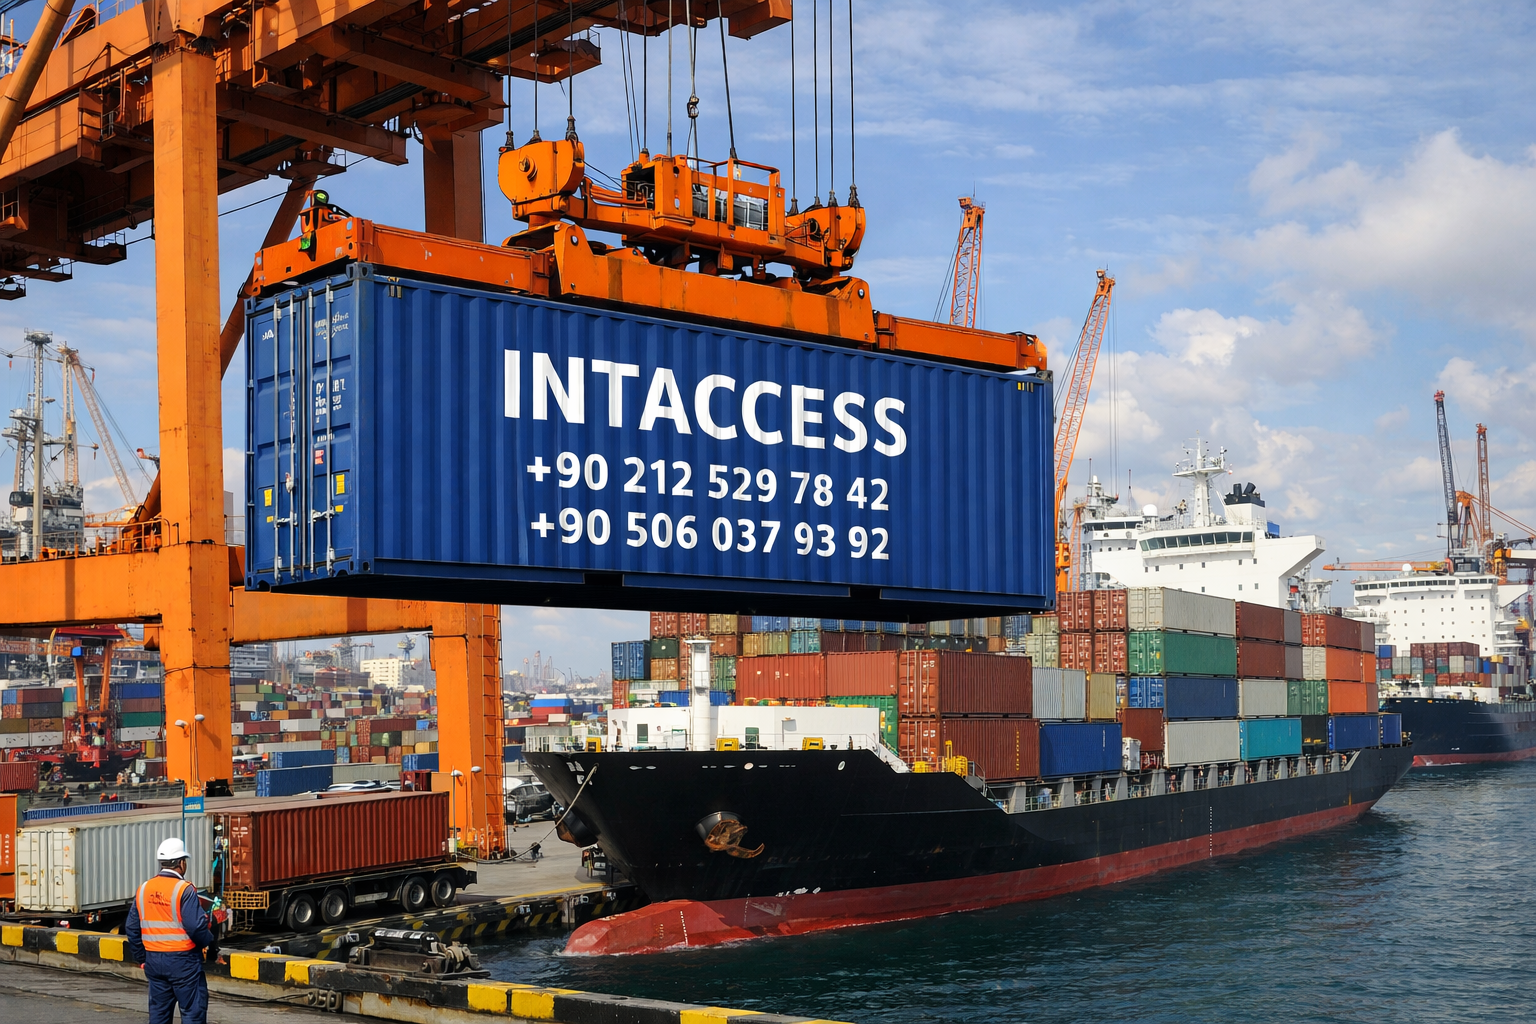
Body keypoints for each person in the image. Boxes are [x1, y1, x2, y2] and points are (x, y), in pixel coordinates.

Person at [126, 838, 219, 1024]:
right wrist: (210, 945)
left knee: (159, 1016)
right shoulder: (184, 889)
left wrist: (142, 958)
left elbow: (131, 927)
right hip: (183, 963)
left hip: (154, 961)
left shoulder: (144, 888)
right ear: (181, 863)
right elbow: (196, 927)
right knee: (192, 1013)